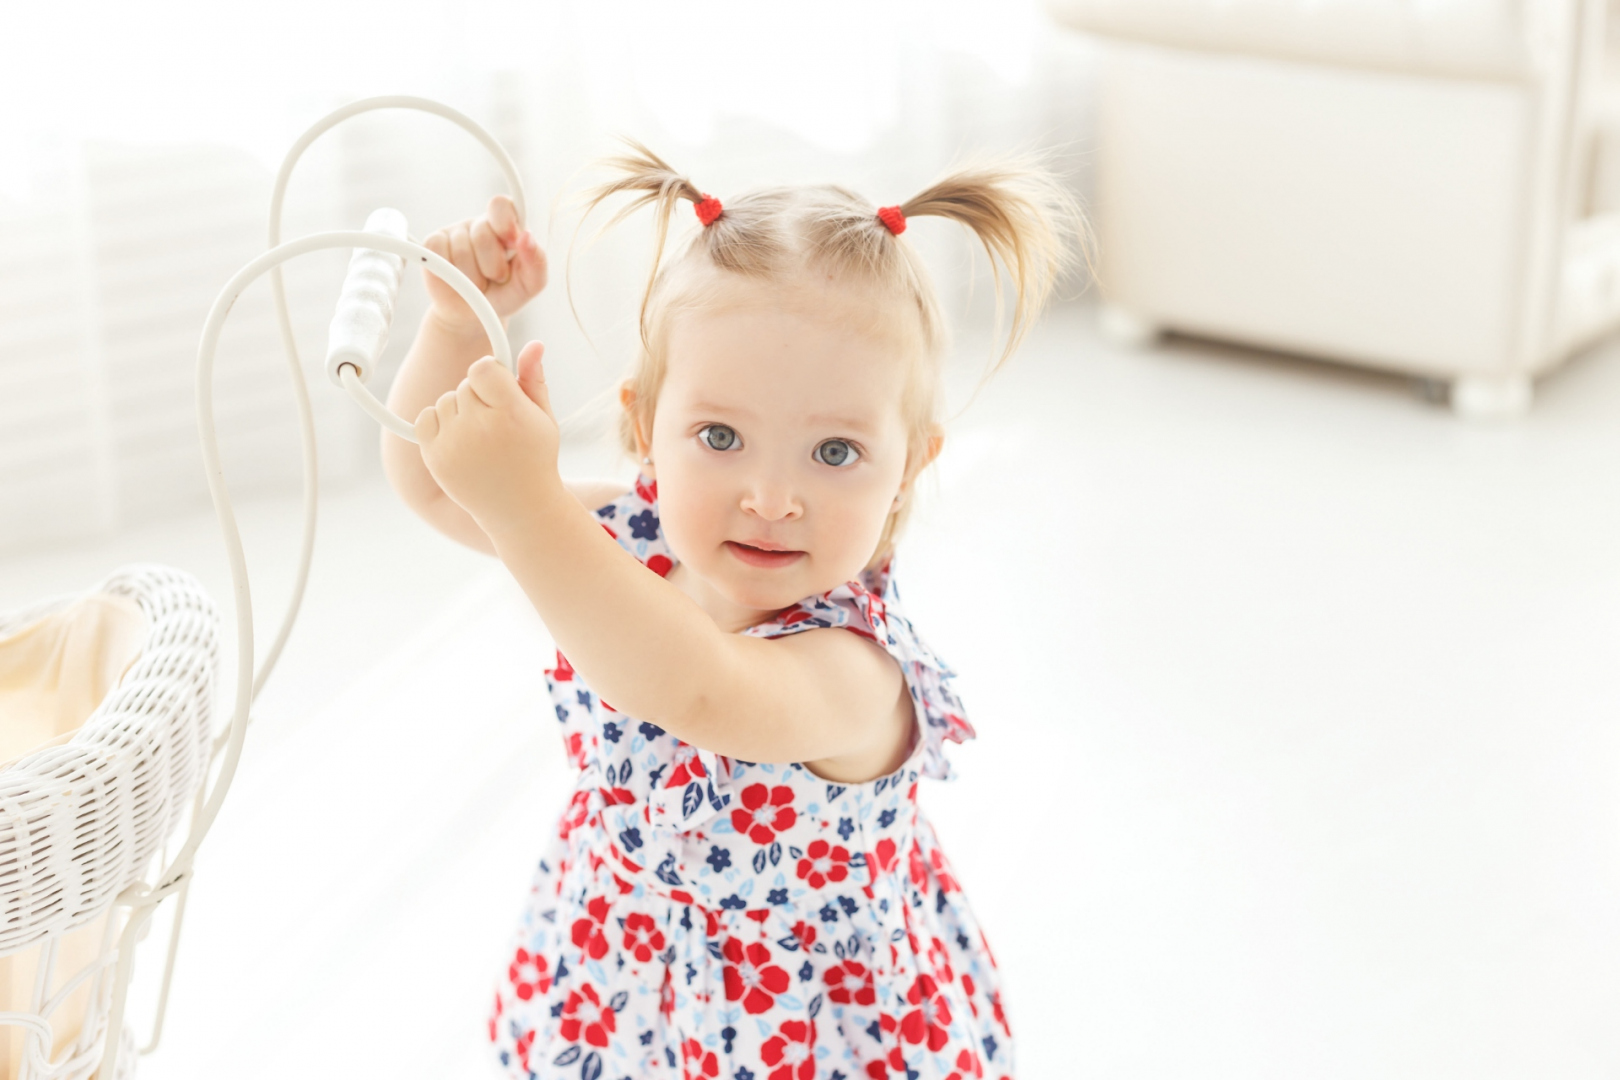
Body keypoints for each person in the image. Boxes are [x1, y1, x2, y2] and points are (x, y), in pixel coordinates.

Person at [382, 141, 1081, 1080]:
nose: (770, 497)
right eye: (720, 437)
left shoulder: (854, 669)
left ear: (911, 462)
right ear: (643, 427)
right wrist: (458, 330)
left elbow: (696, 689)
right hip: (622, 968)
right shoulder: (627, 535)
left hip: (797, 1025)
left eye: (834, 453)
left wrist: (528, 503)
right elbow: (438, 489)